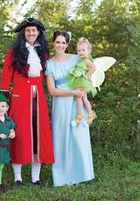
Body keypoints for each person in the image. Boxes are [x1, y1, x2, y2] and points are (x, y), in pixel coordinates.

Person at [0, 18, 54, 187]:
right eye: (28, 30)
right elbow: (6, 76)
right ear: (24, 33)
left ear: (39, 33)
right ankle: (18, 178)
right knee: (20, 134)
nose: (31, 33)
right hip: (19, 97)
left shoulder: (44, 52)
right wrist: (1, 100)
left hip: (39, 98)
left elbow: (50, 75)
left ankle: (35, 178)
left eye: (34, 31)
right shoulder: (14, 52)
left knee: (39, 134)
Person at [45, 31, 95, 187]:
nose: (60, 45)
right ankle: (62, 178)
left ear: (67, 44)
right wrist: (72, 92)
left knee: (78, 137)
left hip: (77, 102)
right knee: (61, 139)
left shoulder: (76, 58)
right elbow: (52, 91)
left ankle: (81, 174)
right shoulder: (49, 63)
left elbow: (89, 71)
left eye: (63, 43)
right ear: (53, 43)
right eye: (57, 42)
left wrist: (84, 87)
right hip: (61, 103)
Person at [66, 37, 97, 126]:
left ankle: (79, 116)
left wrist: (87, 76)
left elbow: (94, 67)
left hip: (83, 81)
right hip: (80, 81)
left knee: (79, 97)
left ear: (89, 51)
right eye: (79, 50)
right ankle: (90, 114)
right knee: (83, 98)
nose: (81, 52)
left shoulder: (87, 61)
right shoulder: (81, 60)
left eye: (83, 50)